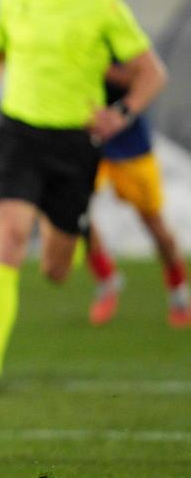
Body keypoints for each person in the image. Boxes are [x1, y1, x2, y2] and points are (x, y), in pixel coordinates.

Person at [0, 0, 168, 396]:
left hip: (74, 147)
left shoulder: (103, 5)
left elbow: (152, 72)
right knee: (7, 236)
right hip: (17, 136)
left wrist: (122, 113)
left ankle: (67, 224)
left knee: (56, 269)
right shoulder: (13, 0)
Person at [85, 76, 188, 328]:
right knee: (76, 213)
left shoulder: (118, 39)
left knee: (152, 220)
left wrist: (100, 67)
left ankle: (178, 291)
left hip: (129, 143)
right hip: (87, 138)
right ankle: (106, 278)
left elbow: (149, 76)